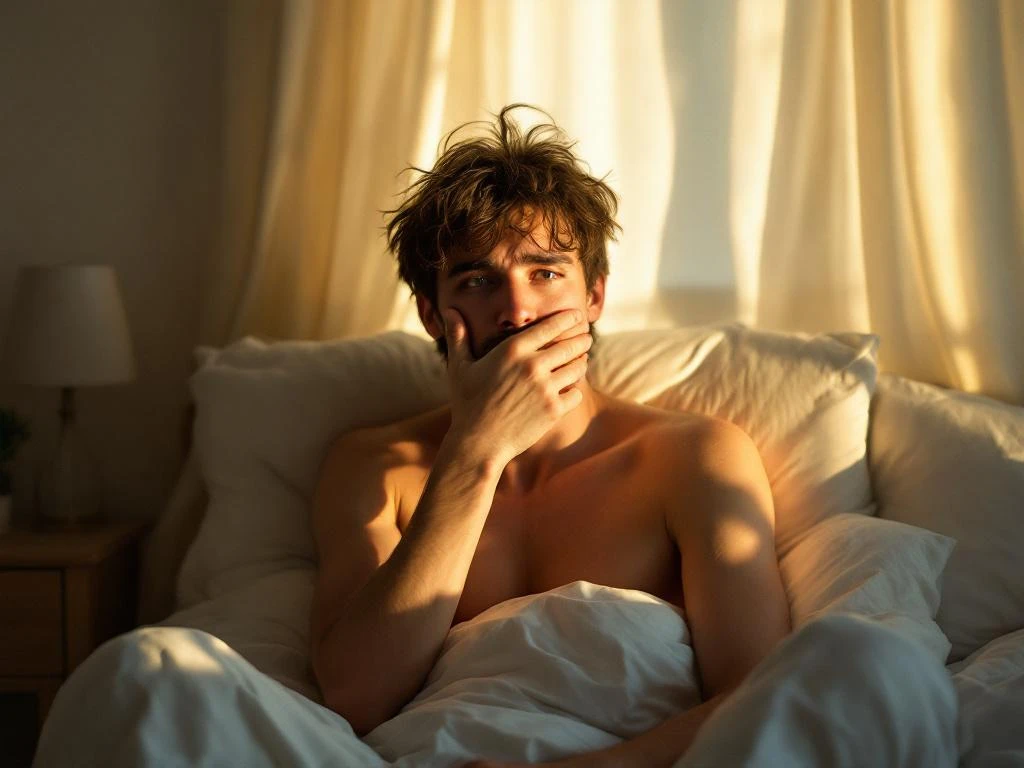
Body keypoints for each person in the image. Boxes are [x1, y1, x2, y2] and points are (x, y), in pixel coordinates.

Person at [308, 105, 957, 767]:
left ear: (593, 295)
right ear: (430, 314)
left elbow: (756, 693)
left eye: (545, 272)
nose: (517, 310)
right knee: (193, 675)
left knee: (870, 662)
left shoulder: (690, 457)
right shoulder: (375, 467)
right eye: (477, 281)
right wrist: (475, 451)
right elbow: (356, 698)